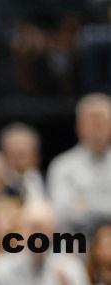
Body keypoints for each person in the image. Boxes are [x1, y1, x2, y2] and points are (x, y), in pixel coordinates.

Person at [47, 93, 111, 239]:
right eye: (92, 121)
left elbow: (77, 209)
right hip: (76, 243)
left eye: (102, 121)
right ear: (79, 126)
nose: (97, 127)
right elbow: (61, 213)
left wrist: (86, 202)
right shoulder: (62, 166)